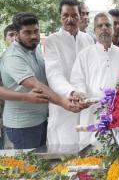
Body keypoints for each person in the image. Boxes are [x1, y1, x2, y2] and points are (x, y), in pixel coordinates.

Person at [0, 13, 85, 149]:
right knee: (28, 168)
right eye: (27, 32)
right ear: (16, 34)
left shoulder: (33, 50)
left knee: (40, 164)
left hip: (40, 120)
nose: (33, 36)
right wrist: (63, 102)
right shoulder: (13, 56)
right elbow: (36, 84)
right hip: (23, 125)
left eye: (36, 31)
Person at [71, 13, 119, 145]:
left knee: (117, 153)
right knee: (92, 153)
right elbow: (77, 79)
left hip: (118, 114)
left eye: (107, 25)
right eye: (99, 26)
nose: (104, 28)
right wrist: (81, 94)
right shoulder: (85, 55)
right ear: (94, 30)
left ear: (113, 28)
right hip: (92, 111)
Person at [45, 0, 95, 145]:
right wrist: (72, 92)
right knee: (64, 155)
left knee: (88, 152)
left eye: (74, 15)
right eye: (65, 15)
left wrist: (84, 95)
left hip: (86, 103)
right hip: (64, 105)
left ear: (80, 17)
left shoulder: (88, 39)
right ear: (60, 17)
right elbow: (54, 74)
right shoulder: (52, 41)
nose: (69, 19)